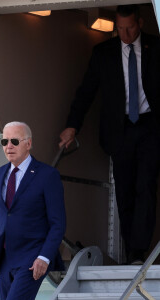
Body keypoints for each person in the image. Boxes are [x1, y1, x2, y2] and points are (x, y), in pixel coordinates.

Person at [59, 4, 160, 265]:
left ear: (140, 23)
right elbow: (86, 92)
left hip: (151, 126)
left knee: (146, 186)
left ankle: (139, 251)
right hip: (120, 129)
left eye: (130, 28)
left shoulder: (156, 47)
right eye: (120, 29)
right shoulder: (102, 53)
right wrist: (72, 126)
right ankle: (132, 250)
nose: (125, 35)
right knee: (125, 191)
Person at [0, 121, 66, 300]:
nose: (9, 146)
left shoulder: (47, 175)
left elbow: (58, 223)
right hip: (5, 260)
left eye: (14, 141)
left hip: (32, 258)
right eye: (5, 142)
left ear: (28, 144)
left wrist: (45, 257)